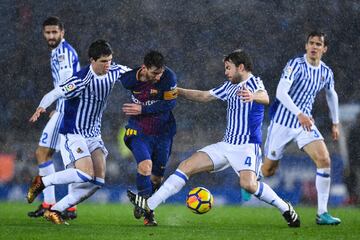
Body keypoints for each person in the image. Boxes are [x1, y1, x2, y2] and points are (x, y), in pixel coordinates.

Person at [128, 49, 301, 228]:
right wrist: (176, 90)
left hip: (246, 147)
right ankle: (149, 205)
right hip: (226, 145)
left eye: (228, 68)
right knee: (185, 166)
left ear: (241, 67)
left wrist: (253, 96)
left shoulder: (254, 83)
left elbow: (265, 97)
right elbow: (204, 96)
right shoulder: (229, 86)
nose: (225, 72)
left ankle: (285, 207)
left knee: (249, 185)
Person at [27, 39, 130, 224]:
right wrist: (42, 107)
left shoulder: (114, 71)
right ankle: (43, 181)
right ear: (92, 60)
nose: (108, 64)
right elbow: (55, 93)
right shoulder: (80, 79)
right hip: (74, 133)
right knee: (84, 174)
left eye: (110, 60)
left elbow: (136, 75)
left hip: (94, 135)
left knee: (98, 181)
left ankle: (55, 210)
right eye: (103, 61)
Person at [261, 31, 341, 225]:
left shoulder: (325, 72)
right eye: (311, 43)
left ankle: (322, 213)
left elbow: (332, 94)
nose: (314, 47)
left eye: (318, 44)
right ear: (306, 46)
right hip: (282, 122)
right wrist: (299, 113)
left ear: (324, 49)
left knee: (324, 159)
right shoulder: (295, 65)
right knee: (269, 170)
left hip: (304, 124)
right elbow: (281, 92)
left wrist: (335, 122)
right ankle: (250, 181)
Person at [28, 16, 80, 220]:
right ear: (44, 33)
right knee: (47, 155)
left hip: (67, 109)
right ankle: (55, 204)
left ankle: (64, 205)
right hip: (63, 107)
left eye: (54, 32)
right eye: (48, 32)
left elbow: (67, 84)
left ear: (62, 32)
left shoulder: (63, 54)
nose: (51, 36)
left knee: (50, 155)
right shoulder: (58, 52)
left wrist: (58, 104)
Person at [119, 51, 178, 226]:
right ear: (144, 68)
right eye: (154, 73)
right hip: (139, 131)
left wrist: (142, 109)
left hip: (163, 134)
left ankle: (142, 201)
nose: (158, 77)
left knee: (157, 179)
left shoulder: (169, 77)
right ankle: (148, 213)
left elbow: (170, 103)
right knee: (145, 166)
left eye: (160, 73)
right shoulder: (129, 79)